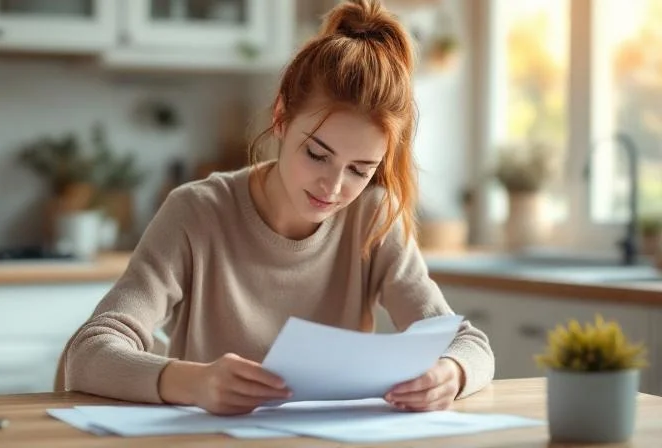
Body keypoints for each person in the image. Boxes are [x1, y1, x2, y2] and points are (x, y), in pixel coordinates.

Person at [59, 0, 494, 416]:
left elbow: (467, 343)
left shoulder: (373, 218)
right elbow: (89, 352)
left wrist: (449, 374)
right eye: (317, 155)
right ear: (283, 118)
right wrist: (195, 383)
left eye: (360, 170)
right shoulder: (196, 211)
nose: (334, 186)